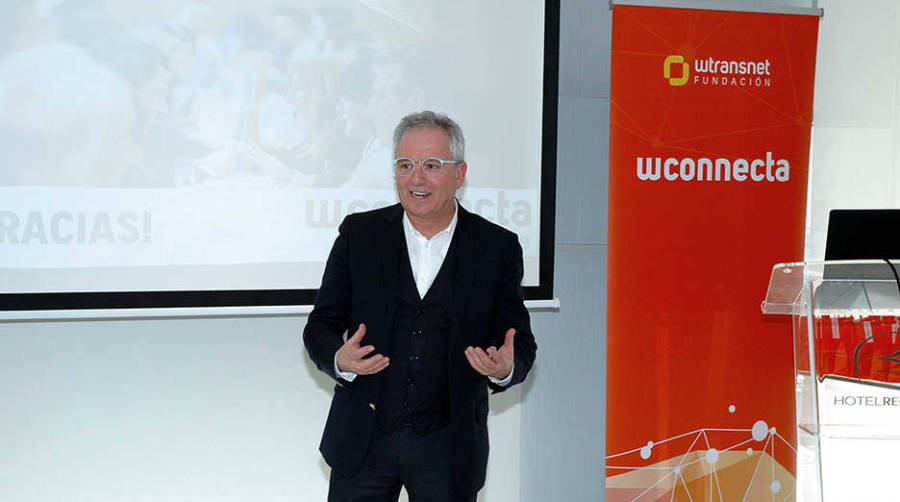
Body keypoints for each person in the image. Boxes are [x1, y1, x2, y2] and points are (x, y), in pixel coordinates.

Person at [303, 110, 537, 501]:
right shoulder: (360, 235)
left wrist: (505, 369)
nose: (416, 179)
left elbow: (520, 343)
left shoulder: (496, 247)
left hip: (449, 446)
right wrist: (339, 360)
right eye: (405, 165)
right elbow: (321, 324)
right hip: (364, 440)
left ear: (459, 175)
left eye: (432, 165)